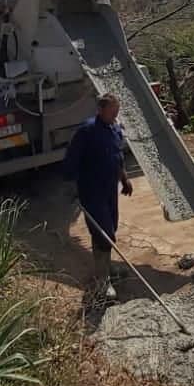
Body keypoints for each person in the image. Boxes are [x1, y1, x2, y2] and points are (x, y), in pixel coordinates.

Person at [63, 93, 134, 300]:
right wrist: (72, 187)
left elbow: (118, 156)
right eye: (112, 111)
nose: (115, 115)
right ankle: (103, 281)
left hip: (109, 188)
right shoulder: (87, 131)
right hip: (91, 190)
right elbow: (72, 159)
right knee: (104, 233)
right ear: (101, 110)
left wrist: (124, 179)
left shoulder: (114, 128)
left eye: (117, 111)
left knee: (111, 227)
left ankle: (107, 267)